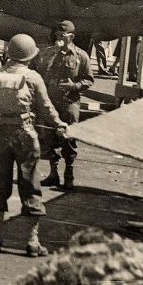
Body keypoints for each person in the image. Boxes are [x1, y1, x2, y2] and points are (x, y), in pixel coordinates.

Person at [0, 34, 65, 256]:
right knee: (30, 184)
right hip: (25, 133)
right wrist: (59, 124)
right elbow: (45, 107)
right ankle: (32, 242)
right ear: (29, 56)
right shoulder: (33, 77)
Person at [33, 20, 92, 191]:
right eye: (57, 35)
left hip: (69, 103)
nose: (59, 39)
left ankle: (69, 174)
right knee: (49, 137)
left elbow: (88, 79)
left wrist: (74, 86)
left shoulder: (81, 56)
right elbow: (37, 73)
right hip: (50, 102)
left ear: (71, 37)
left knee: (69, 138)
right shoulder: (47, 53)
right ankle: (53, 173)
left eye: (63, 36)